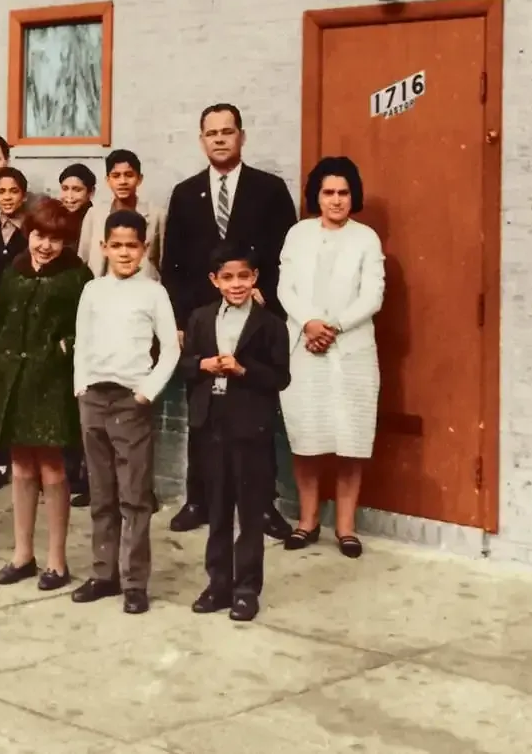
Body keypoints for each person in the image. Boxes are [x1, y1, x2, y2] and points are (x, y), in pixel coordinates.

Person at [162, 104, 298, 539]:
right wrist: (181, 321)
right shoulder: (185, 193)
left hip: (252, 320)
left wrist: (268, 302)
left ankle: (262, 506)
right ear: (202, 139)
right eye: (211, 133)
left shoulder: (269, 189)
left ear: (241, 136)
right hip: (204, 322)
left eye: (227, 132)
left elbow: (285, 257)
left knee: (256, 414)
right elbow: (175, 265)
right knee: (201, 413)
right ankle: (198, 498)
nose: (219, 139)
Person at [69, 211, 181, 615]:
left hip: (130, 402)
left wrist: (147, 392)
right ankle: (103, 573)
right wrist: (81, 385)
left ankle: (134, 581)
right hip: (94, 399)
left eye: (131, 246)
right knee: (101, 493)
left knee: (133, 496)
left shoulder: (154, 292)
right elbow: (82, 340)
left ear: (144, 248)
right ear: (103, 248)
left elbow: (170, 347)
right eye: (116, 245)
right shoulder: (93, 290)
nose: (124, 253)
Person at [0, 198, 93, 591]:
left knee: (52, 468)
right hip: (14, 382)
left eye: (55, 238)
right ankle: (22, 554)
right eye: (39, 235)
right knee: (21, 466)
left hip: (52, 384)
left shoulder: (77, 275)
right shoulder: (14, 271)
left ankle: (57, 561)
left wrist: (62, 351)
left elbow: (87, 328)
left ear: (67, 241)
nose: (45, 245)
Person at [278, 156, 385, 559]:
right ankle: (307, 521)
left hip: (350, 351)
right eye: (328, 193)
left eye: (343, 192)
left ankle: (346, 526)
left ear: (352, 195)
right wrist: (309, 323)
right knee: (307, 438)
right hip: (304, 347)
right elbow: (285, 288)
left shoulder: (366, 239)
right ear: (316, 196)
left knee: (349, 439)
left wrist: (334, 326)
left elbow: (372, 296)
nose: (336, 200)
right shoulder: (298, 235)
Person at [181, 243, 291, 622]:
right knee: (217, 508)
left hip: (250, 425)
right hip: (211, 422)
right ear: (214, 280)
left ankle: (246, 589)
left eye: (244, 276)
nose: (237, 284)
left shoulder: (270, 324)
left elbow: (281, 377)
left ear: (255, 278)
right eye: (228, 277)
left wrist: (244, 370)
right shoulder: (200, 318)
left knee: (250, 510)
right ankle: (218, 585)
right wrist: (204, 364)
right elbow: (184, 365)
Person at [78, 150, 166, 280]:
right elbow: (82, 260)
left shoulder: (156, 215)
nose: (123, 181)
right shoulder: (95, 215)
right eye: (116, 176)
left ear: (139, 179)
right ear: (108, 180)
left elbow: (163, 262)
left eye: (129, 175)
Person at [57, 163, 96, 254]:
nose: (69, 196)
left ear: (91, 192)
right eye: (65, 189)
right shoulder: (54, 217)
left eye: (77, 190)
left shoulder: (96, 220)